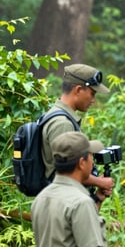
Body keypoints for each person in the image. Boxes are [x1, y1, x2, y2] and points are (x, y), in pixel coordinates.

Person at [41, 63, 115, 202]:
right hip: (62, 202)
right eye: (92, 94)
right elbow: (66, 173)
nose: (93, 100)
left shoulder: (59, 115)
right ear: (79, 90)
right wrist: (100, 182)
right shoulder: (62, 123)